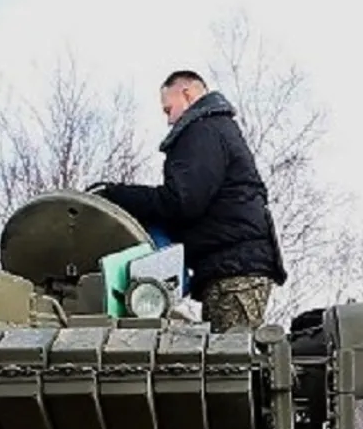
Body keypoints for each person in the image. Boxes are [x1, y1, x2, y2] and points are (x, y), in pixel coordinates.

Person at [92, 70, 286, 332]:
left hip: (234, 271)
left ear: (187, 93)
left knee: (230, 365)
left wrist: (116, 195)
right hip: (233, 266)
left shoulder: (202, 130)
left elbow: (182, 202)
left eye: (168, 109)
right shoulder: (216, 128)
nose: (169, 120)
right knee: (227, 363)